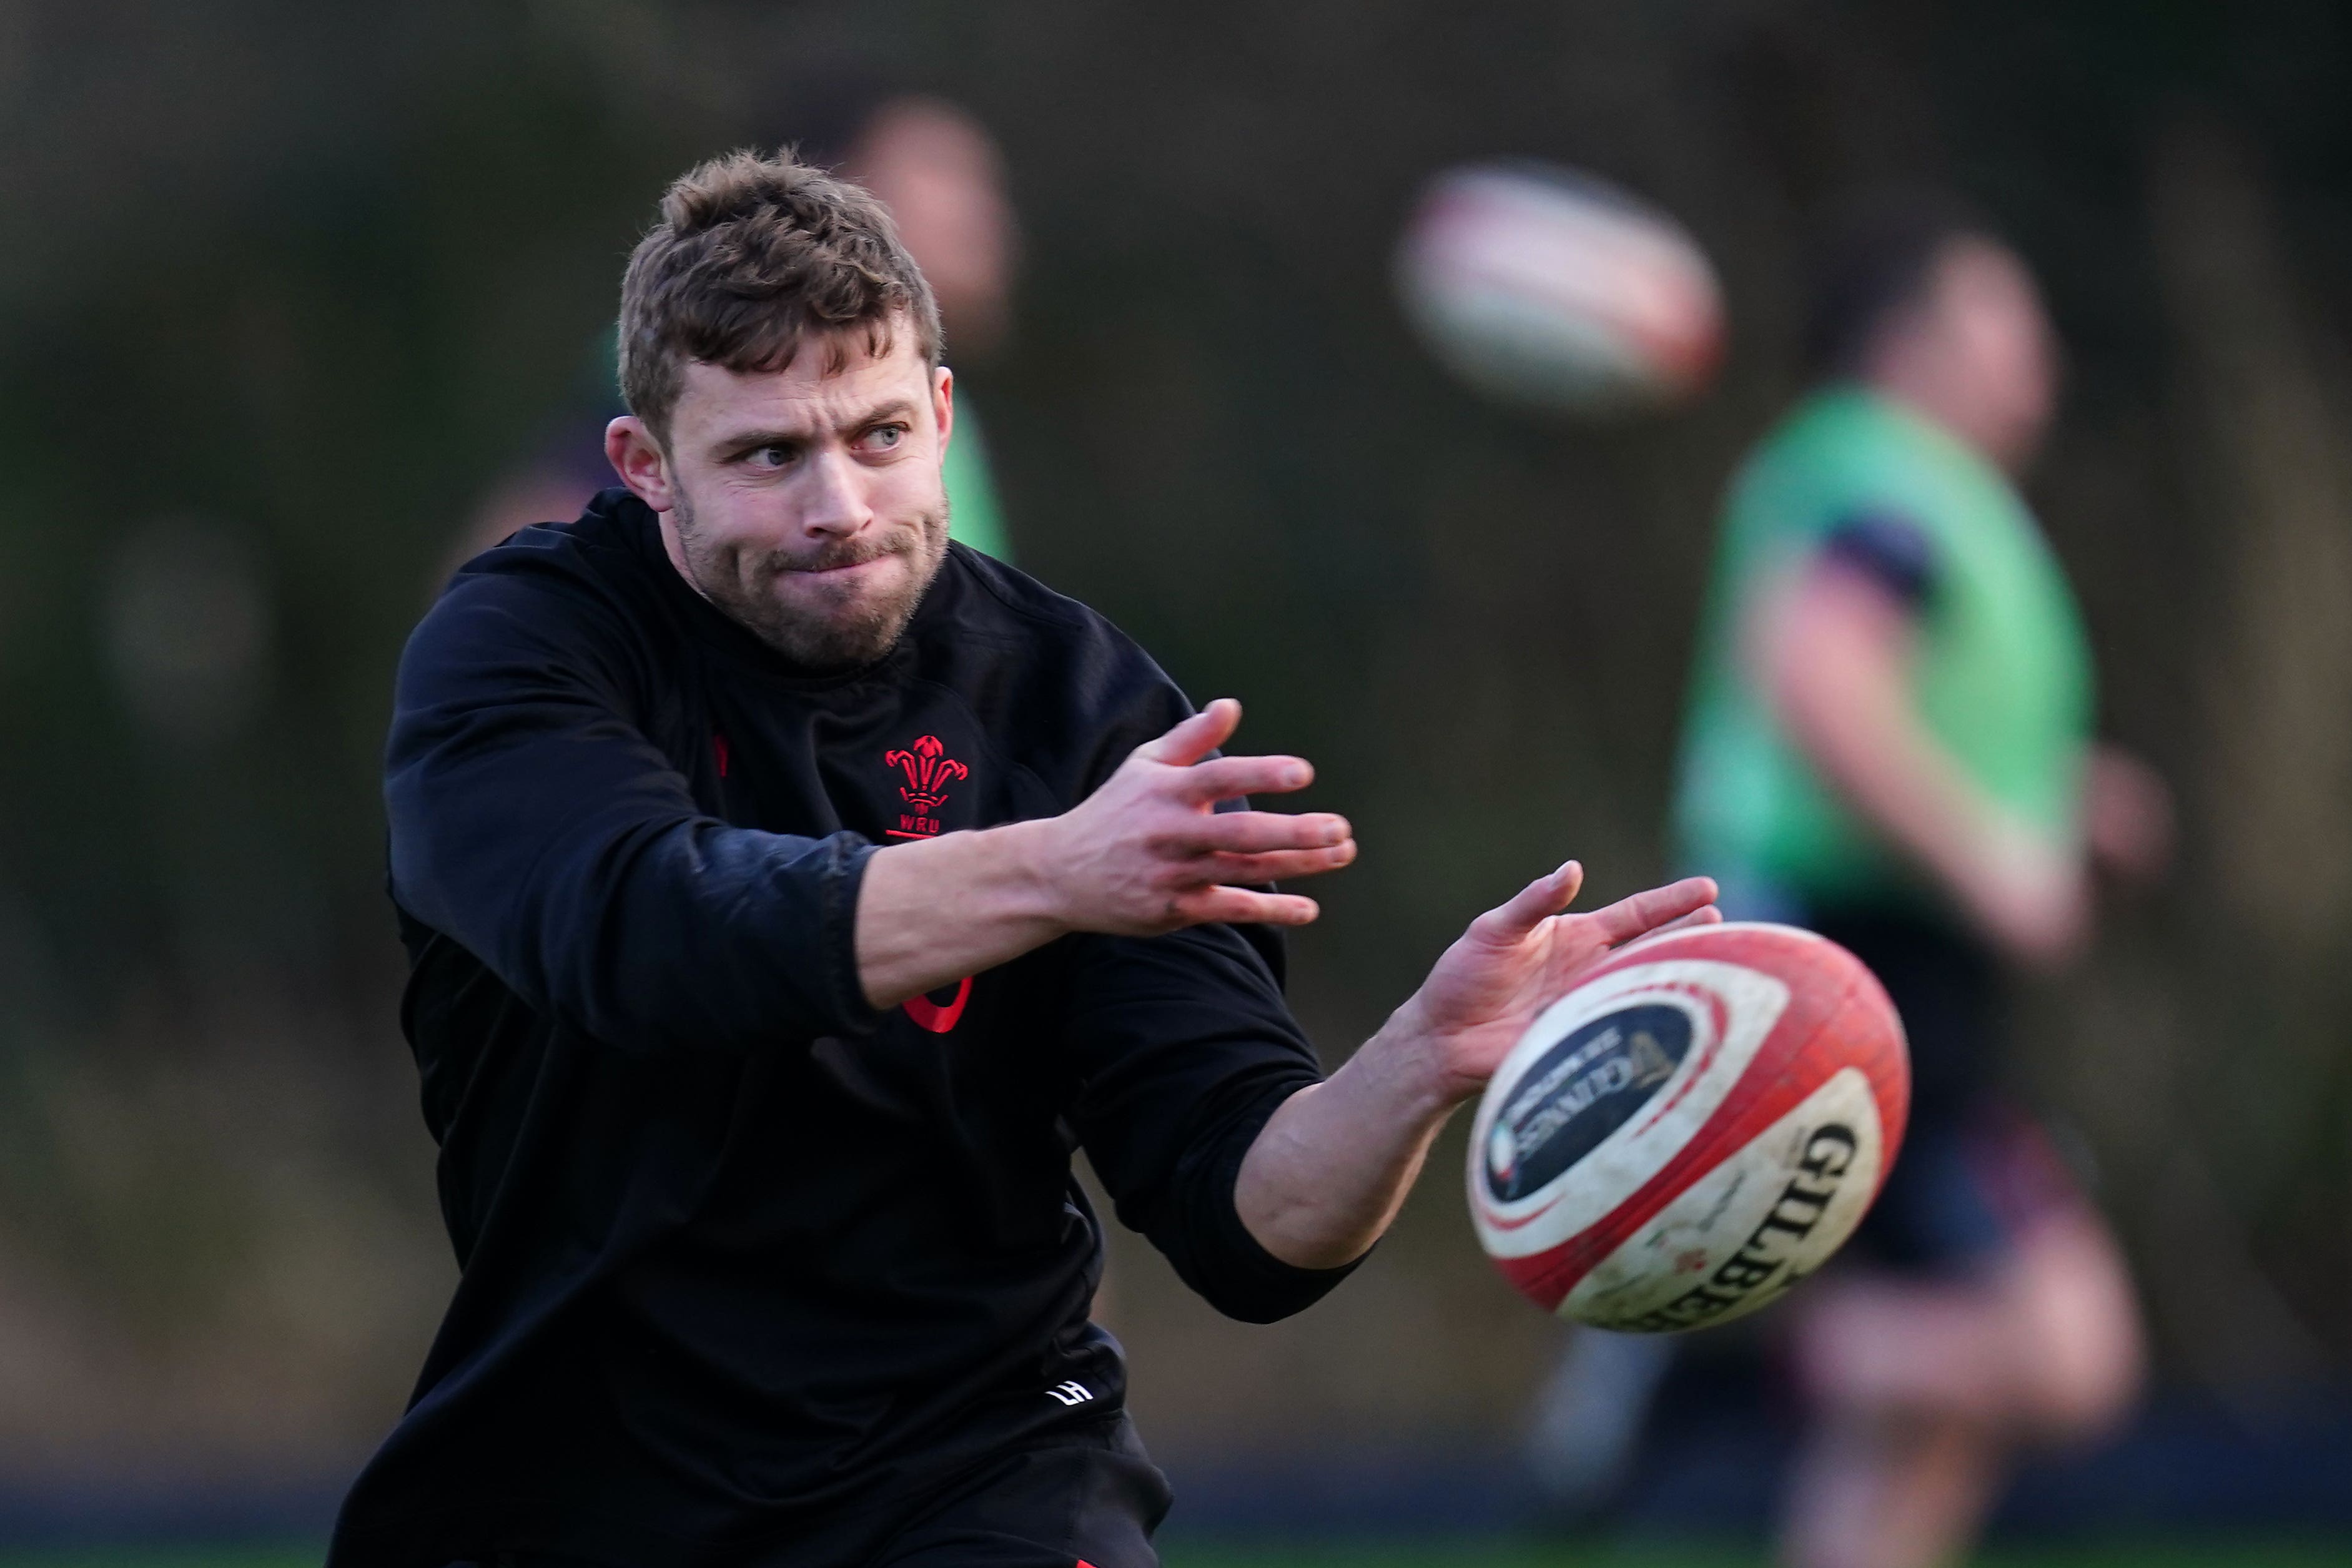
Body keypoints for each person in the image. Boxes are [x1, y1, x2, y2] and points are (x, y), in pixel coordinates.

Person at [330, 150, 1717, 1567]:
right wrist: (1053, 873)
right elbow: (643, 930)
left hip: (974, 1455)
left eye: (878, 436)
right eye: (767, 455)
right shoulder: (523, 651)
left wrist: (1417, 1060)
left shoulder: (1079, 706)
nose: (840, 507)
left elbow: (1254, 1221)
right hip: (585, 1474)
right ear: (644, 466)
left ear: (941, 412)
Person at [1671, 192, 2162, 1568]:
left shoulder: (1871, 481)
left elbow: (1892, 708)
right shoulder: (1885, 477)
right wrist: (1994, 866)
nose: (2038, 357)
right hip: (1865, 977)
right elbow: (1820, 678)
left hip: (1865, 961)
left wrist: (2058, 804)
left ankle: (1774, 1362)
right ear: (1908, 343)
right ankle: (1718, 1366)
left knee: (1920, 1436)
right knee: (2069, 1354)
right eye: (2007, 318)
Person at [458, 92, 1022, 566]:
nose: (984, 215)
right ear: (830, 188)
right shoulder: (696, 355)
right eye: (945, 174)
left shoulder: (940, 406)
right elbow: (515, 563)